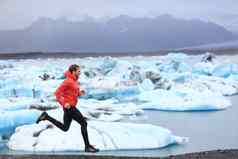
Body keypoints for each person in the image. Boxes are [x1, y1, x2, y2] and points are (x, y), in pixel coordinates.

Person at [36, 64, 99, 153]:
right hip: (70, 107)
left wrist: (80, 93)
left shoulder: (74, 81)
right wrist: (64, 103)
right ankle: (87, 146)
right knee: (84, 123)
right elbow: (57, 93)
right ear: (73, 72)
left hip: (70, 107)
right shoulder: (68, 81)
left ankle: (46, 117)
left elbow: (72, 93)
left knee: (65, 128)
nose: (80, 73)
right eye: (78, 71)